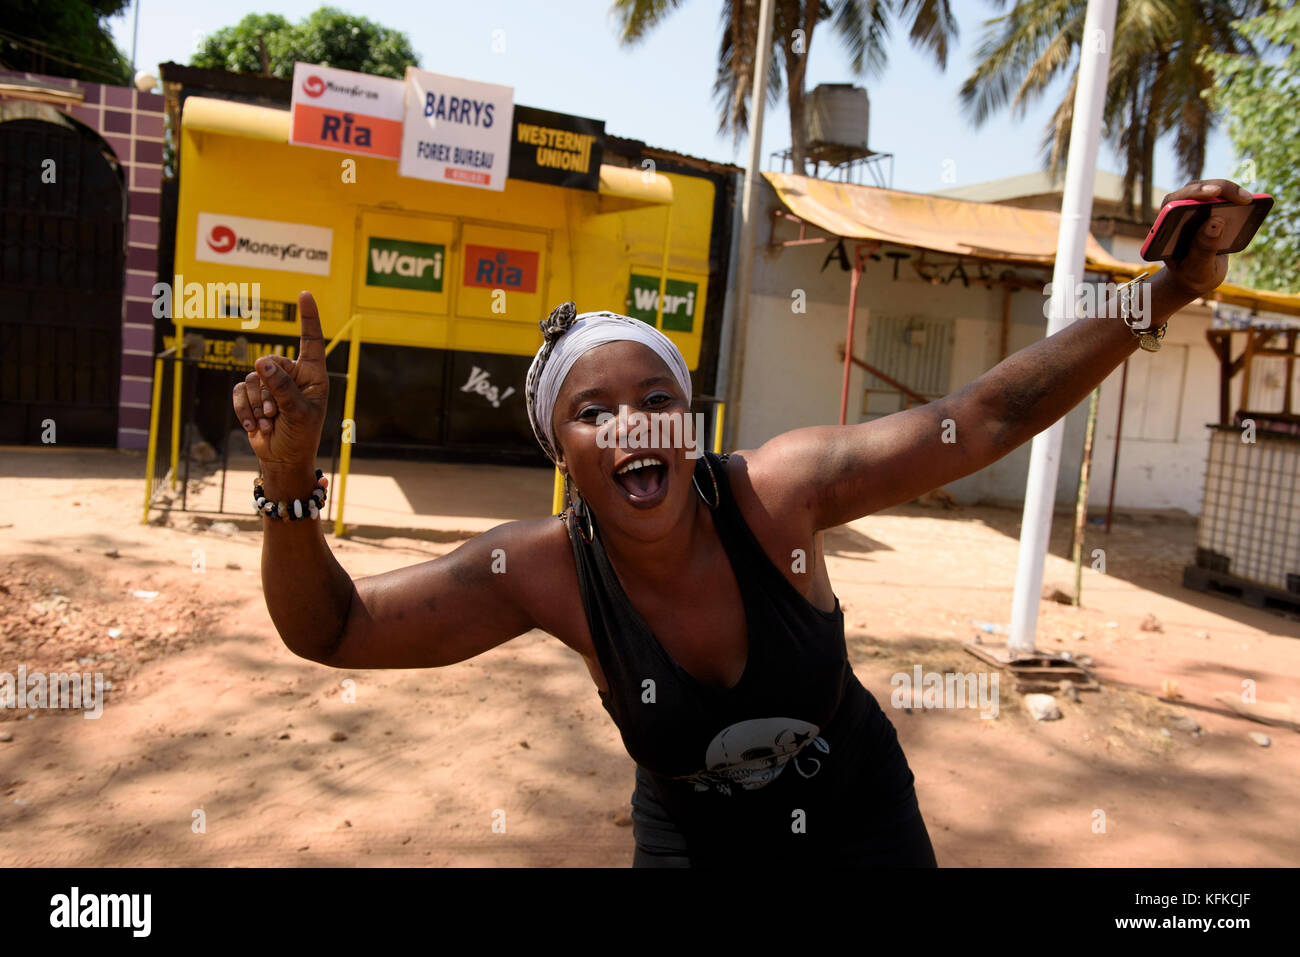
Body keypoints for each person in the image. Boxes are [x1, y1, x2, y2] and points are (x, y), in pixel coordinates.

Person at [232, 179, 1253, 867]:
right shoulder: (539, 571)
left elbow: (983, 415)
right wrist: (286, 488)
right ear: (565, 459)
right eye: (594, 413)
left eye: (653, 396)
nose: (632, 423)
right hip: (693, 838)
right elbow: (335, 629)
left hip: (858, 807)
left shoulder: (779, 494)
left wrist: (1162, 290)